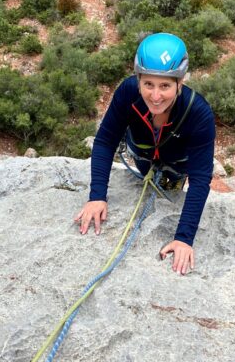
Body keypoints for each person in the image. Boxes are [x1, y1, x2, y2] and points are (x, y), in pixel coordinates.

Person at [74, 33, 216, 275]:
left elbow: (201, 178)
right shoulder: (128, 94)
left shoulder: (198, 113)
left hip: (178, 166)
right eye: (148, 84)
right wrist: (97, 196)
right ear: (138, 80)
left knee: (172, 187)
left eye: (165, 86)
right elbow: (106, 141)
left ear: (179, 84)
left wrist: (184, 238)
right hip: (142, 156)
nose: (156, 96)